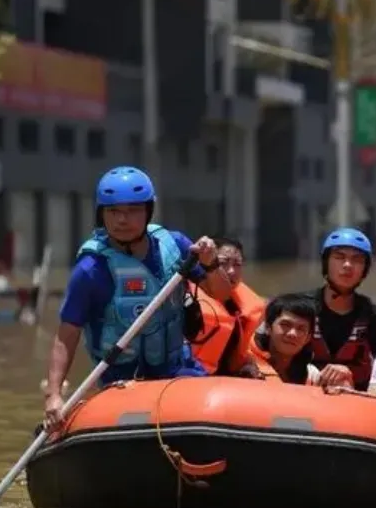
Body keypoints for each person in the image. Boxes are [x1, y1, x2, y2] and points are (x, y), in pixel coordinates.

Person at [43, 166, 232, 430]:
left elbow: (222, 293)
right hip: (122, 381)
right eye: (113, 211)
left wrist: (211, 264)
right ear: (102, 214)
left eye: (132, 210)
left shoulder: (175, 245)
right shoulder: (91, 269)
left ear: (148, 211)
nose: (122, 219)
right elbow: (67, 334)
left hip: (177, 370)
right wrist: (53, 394)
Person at [284, 228, 376, 390]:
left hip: (354, 400)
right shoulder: (299, 309)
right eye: (339, 257)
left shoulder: (375, 318)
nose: (348, 265)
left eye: (357, 259)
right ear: (326, 263)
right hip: (303, 396)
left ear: (365, 270)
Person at [191, 238, 266, 376]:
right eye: (223, 262)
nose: (231, 271)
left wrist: (245, 366)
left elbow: (238, 355)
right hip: (189, 378)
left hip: (224, 383)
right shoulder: (187, 300)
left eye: (237, 264)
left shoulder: (238, 307)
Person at [250, 293, 351, 386]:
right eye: (285, 325)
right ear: (268, 328)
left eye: (301, 329)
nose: (292, 334)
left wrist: (344, 380)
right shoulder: (244, 364)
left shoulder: (312, 376)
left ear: (308, 338)